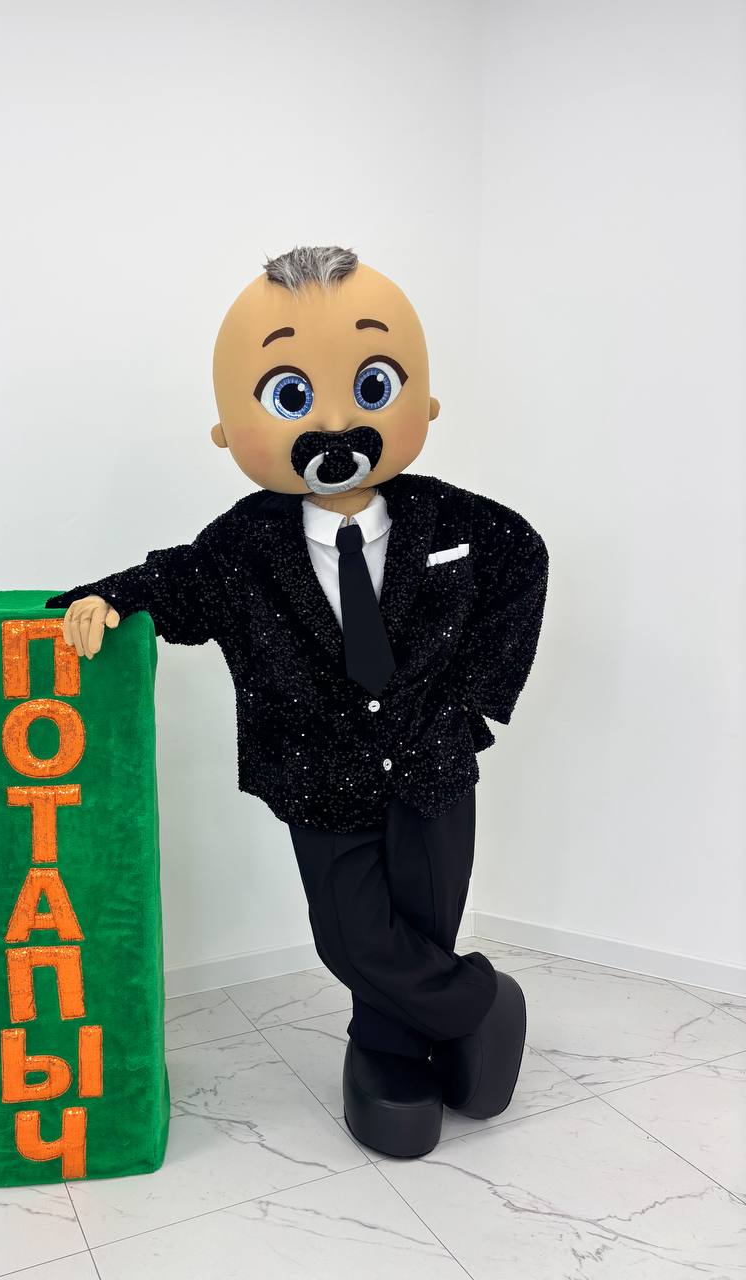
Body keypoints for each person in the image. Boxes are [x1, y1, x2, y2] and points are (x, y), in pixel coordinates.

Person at [46, 245, 549, 1158]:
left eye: (372, 385)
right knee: (350, 933)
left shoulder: (456, 521)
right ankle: (479, 1003)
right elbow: (181, 582)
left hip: (434, 760)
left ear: (424, 401)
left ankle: (393, 1043)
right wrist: (111, 596)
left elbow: (524, 562)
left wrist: (475, 701)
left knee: (425, 910)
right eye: (290, 396)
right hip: (314, 769)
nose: (335, 425)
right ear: (227, 427)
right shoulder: (244, 544)